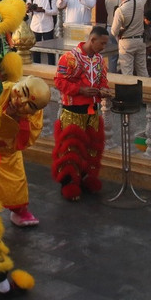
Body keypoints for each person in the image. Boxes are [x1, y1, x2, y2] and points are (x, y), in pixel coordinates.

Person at [52, 26, 109, 201]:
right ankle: (69, 182)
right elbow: (59, 81)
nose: (104, 47)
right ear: (92, 40)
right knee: (71, 148)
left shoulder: (99, 60)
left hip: (92, 110)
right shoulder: (70, 58)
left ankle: (86, 178)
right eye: (102, 43)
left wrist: (103, 91)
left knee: (92, 148)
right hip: (73, 110)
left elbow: (102, 81)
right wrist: (80, 90)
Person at [0, 76, 51, 228]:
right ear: (20, 82)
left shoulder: (34, 116)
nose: (21, 101)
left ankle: (19, 211)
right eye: (23, 91)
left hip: (7, 154)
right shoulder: (0, 90)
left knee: (16, 185)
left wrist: (16, 119)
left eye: (30, 105)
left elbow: (24, 141)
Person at [113, 0, 149, 77]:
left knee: (127, 72)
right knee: (142, 70)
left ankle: (129, 91)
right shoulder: (139, 2)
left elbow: (114, 31)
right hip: (140, 40)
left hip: (126, 42)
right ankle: (146, 89)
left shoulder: (120, 10)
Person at [27, 0, 56, 65]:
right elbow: (27, 11)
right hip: (35, 26)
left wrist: (43, 10)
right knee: (36, 51)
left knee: (50, 51)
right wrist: (29, 9)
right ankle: (37, 69)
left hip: (48, 26)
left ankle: (51, 69)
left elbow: (55, 11)